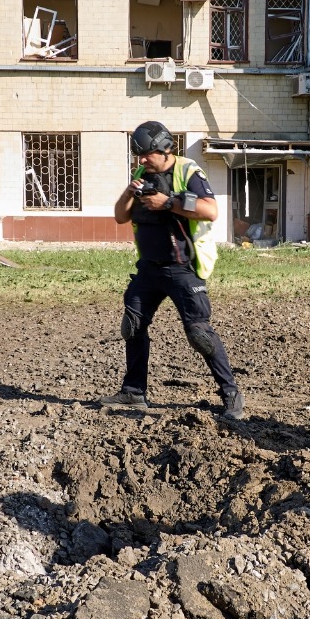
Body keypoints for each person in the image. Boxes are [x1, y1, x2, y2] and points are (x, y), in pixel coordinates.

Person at [100, 120, 244, 420]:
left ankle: (230, 393)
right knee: (133, 326)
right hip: (148, 270)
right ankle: (134, 392)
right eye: (137, 154)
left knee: (199, 334)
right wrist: (130, 192)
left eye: (146, 154)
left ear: (165, 149)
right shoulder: (142, 174)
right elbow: (119, 217)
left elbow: (211, 210)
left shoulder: (188, 170)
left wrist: (168, 203)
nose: (140, 160)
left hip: (183, 269)